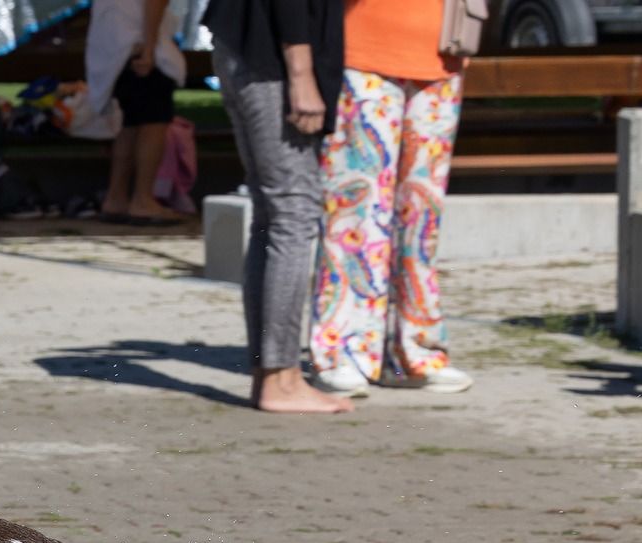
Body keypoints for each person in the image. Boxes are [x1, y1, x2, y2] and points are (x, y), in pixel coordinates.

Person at [309, 0, 470, 396]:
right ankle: (342, 349)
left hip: (441, 53)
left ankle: (417, 349)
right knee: (354, 213)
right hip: (363, 50)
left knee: (422, 218)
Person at [204, 0, 348, 413]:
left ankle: (273, 373)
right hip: (270, 60)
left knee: (272, 215)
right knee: (293, 212)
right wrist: (301, 75)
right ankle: (280, 378)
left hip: (249, 47)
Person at [88, 0, 189, 224]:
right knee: (153, 124)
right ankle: (143, 200)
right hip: (139, 45)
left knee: (130, 124)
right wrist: (150, 48)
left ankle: (116, 197)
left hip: (115, 47)